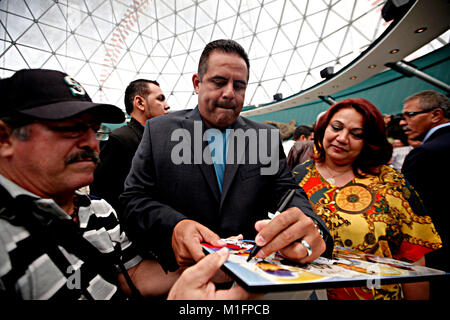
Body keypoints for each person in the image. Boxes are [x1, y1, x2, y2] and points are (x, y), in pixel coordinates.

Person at [0, 68, 250, 300]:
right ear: (4, 139)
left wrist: (226, 266)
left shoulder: (99, 210)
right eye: (71, 128)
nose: (92, 143)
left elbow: (132, 274)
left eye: (95, 130)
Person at [120, 39, 333, 278]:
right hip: (179, 281)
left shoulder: (264, 137)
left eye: (239, 86)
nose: (230, 93)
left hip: (249, 283)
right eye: (219, 82)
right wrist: (175, 227)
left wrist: (311, 225)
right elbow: (133, 200)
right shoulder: (159, 132)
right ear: (197, 83)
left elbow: (287, 193)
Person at [292, 97, 442, 300]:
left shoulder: (390, 182)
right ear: (323, 128)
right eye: (336, 127)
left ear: (369, 141)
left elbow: (413, 258)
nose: (342, 138)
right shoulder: (297, 176)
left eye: (356, 134)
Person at [90, 79, 170, 215]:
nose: (167, 106)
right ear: (140, 103)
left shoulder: (158, 140)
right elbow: (103, 195)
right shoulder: (119, 140)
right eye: (160, 99)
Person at [400, 90, 450, 299]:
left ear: (436, 115)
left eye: (409, 115)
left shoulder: (426, 154)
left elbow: (405, 208)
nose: (403, 122)